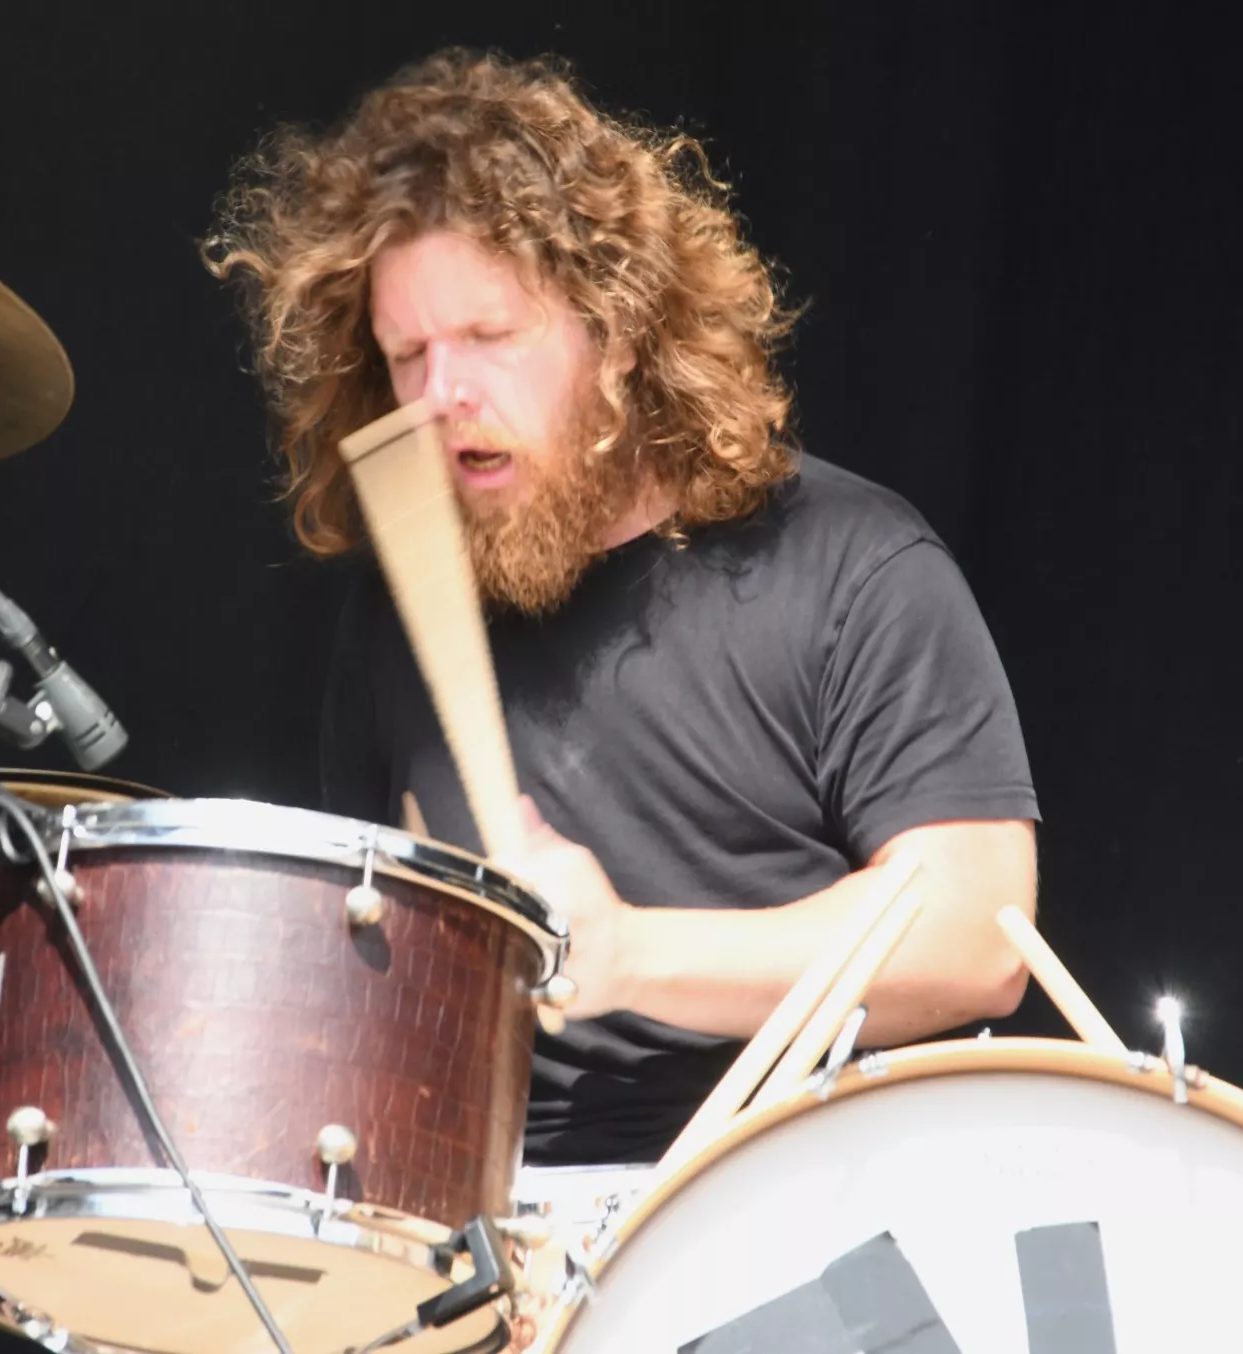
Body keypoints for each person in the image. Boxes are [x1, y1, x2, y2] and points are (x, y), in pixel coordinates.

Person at [207, 49, 1039, 1169]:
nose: (441, 395)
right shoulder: (398, 617)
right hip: (492, 1221)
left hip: (785, 1197)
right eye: (408, 354)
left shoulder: (851, 565)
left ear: (619, 330)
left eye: (490, 337)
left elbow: (977, 936)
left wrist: (631, 953)